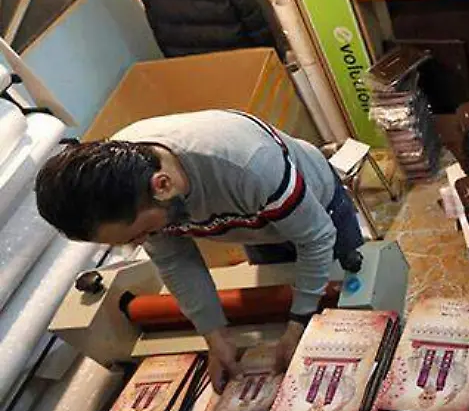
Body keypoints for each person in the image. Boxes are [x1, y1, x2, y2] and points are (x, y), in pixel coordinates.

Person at [35, 110, 364, 393]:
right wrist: (214, 334)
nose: (140, 244)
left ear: (162, 186)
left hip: (318, 209)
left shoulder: (246, 164)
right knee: (279, 291)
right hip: (254, 227)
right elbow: (176, 260)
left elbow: (316, 237)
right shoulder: (126, 183)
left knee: (353, 305)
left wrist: (299, 321)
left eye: (142, 233)